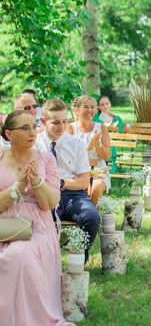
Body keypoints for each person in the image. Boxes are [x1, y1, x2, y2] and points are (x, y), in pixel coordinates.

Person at [0, 110, 73, 326]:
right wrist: (16, 188)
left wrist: (38, 183)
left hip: (36, 225)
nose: (32, 132)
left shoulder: (46, 159)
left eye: (34, 127)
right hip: (4, 223)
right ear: (8, 134)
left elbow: (50, 203)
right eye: (25, 128)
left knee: (20, 255)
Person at [36, 98, 100, 263]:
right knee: (36, 221)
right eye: (55, 122)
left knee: (91, 217)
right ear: (43, 121)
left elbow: (84, 182)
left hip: (72, 195)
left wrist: (61, 183)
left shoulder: (76, 144)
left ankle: (79, 257)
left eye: (65, 121)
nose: (62, 127)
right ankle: (43, 260)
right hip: (42, 195)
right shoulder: (35, 143)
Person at [68, 95, 111, 204]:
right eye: (86, 107)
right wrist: (88, 148)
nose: (90, 110)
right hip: (76, 174)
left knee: (95, 188)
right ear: (76, 110)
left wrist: (97, 146)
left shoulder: (101, 128)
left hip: (99, 173)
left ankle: (94, 218)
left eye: (92, 107)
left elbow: (107, 156)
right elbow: (68, 157)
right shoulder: (70, 128)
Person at [94, 95, 125, 173]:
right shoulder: (95, 118)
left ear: (110, 104)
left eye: (107, 103)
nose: (105, 106)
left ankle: (109, 168)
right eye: (102, 105)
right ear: (99, 107)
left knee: (111, 148)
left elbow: (120, 135)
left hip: (112, 146)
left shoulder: (117, 119)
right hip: (97, 146)